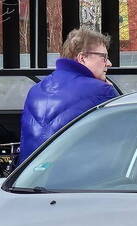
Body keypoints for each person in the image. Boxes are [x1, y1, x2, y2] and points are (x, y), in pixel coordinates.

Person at [17, 28, 117, 163]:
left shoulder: (36, 90)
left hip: (30, 178)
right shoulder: (102, 90)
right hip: (75, 178)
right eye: (104, 57)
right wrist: (112, 90)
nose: (109, 63)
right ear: (82, 58)